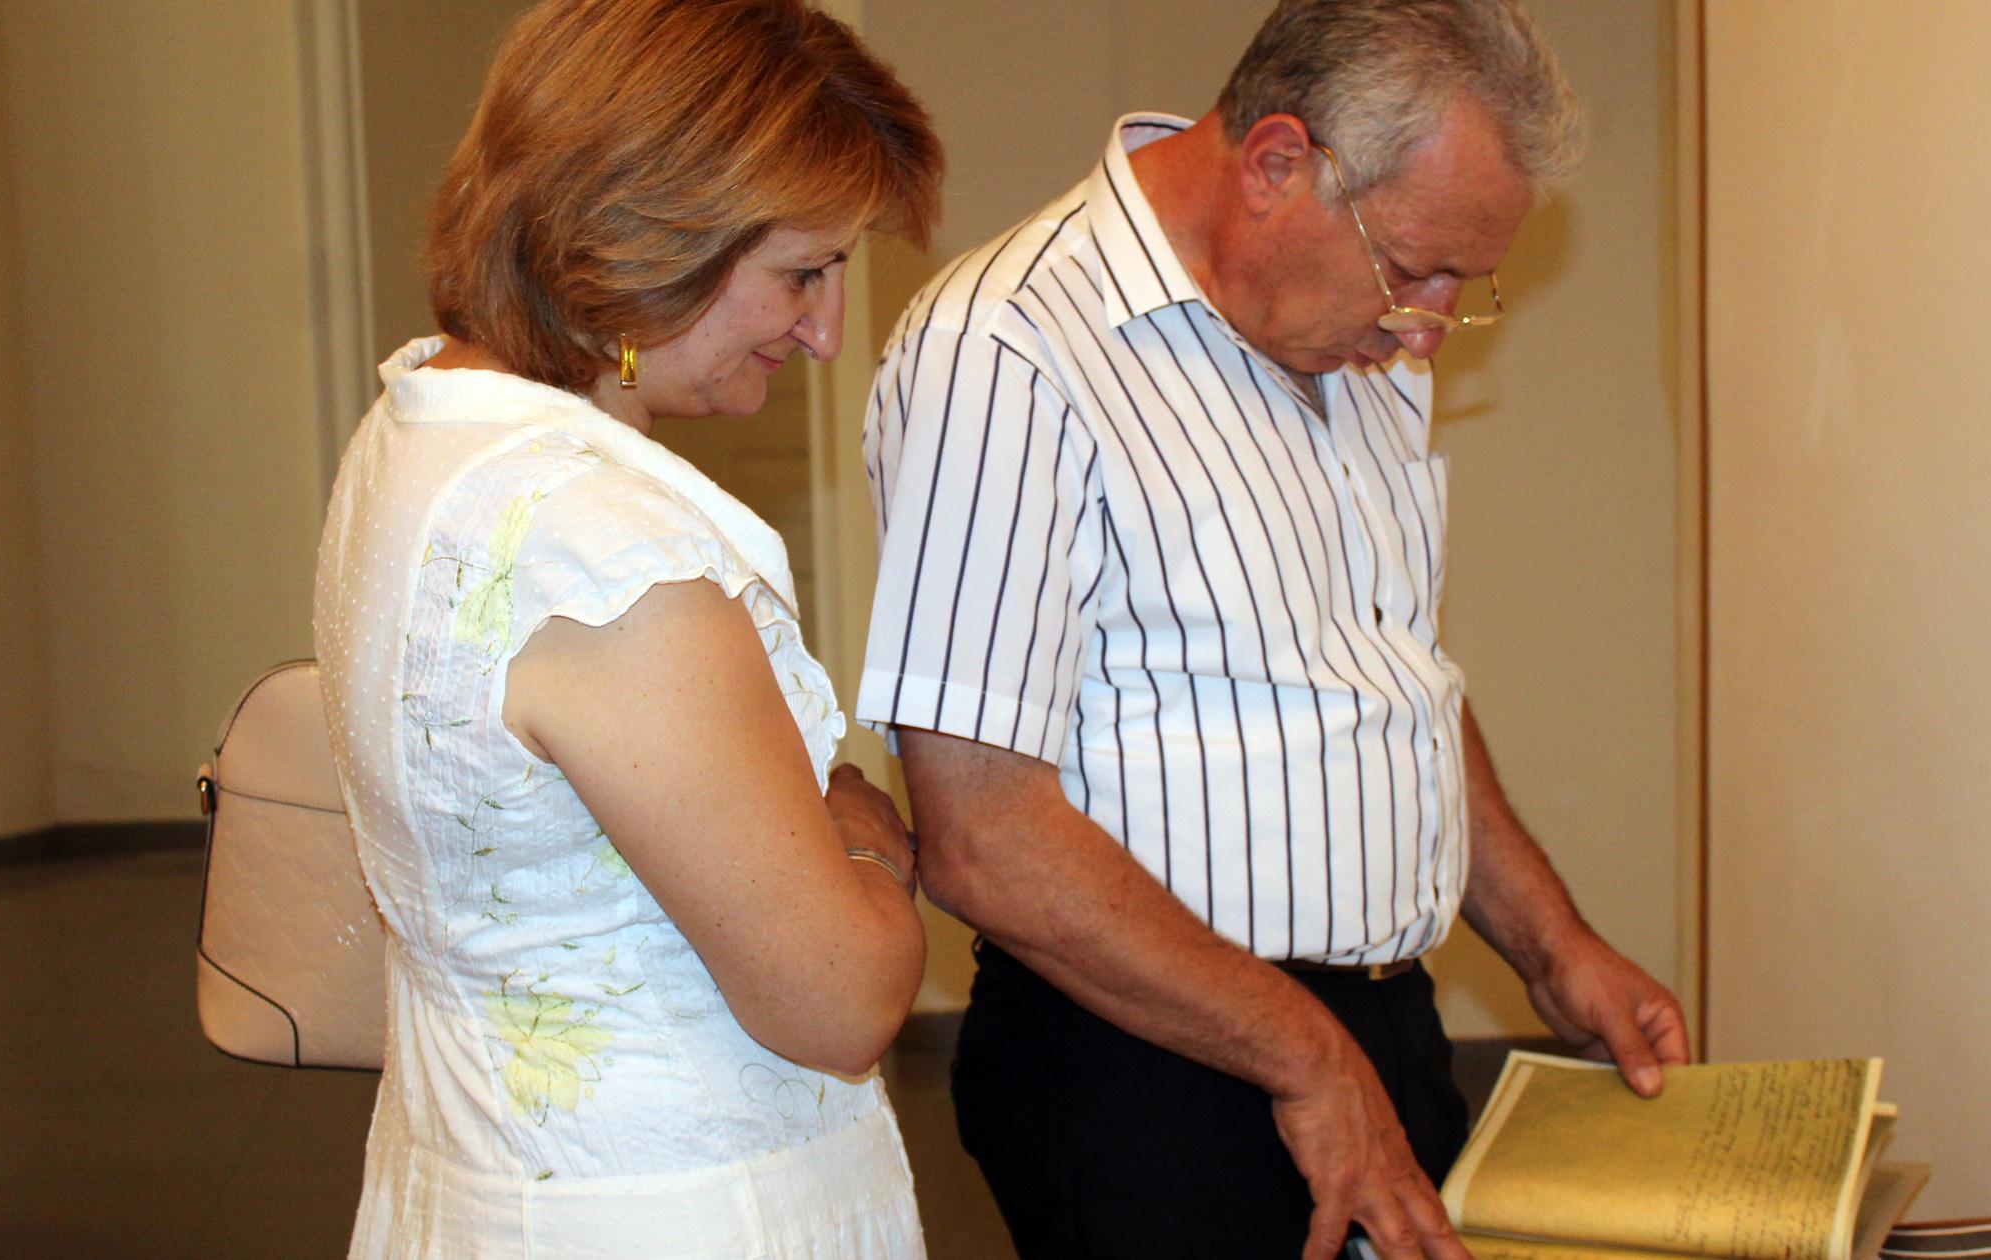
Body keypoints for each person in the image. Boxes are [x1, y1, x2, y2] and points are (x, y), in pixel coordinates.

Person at [854, 1, 1690, 1257]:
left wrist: (1551, 944)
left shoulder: (1361, 347)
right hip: (1147, 1071)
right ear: (1275, 163)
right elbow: (983, 838)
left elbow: (1385, 680)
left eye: (1461, 282)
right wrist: (1307, 1056)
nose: (1427, 325)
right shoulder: (1006, 348)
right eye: (1412, 266)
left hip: (1378, 1028)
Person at [312, 1, 941, 1254]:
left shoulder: (418, 429)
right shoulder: (608, 558)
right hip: (676, 1209)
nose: (826, 333)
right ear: (651, 232)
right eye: (802, 273)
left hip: (474, 1183)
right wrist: (868, 843)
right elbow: (839, 1002)